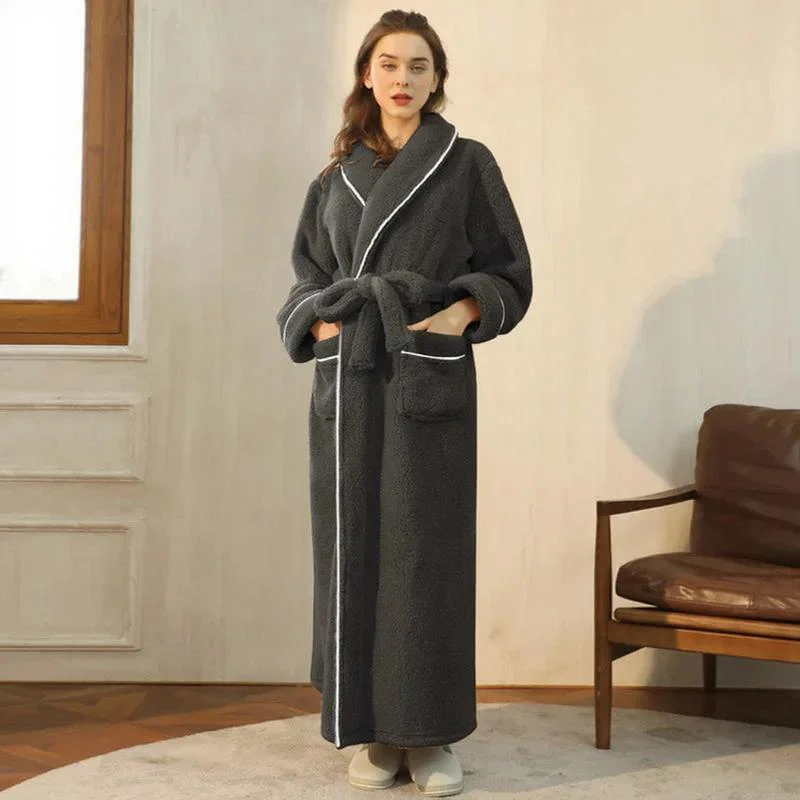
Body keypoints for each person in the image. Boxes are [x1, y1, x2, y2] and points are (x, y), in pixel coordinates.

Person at [276, 9, 533, 795]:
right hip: (349, 377)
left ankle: (431, 735)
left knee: (425, 552)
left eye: (419, 66)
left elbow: (510, 271)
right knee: (353, 546)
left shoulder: (466, 162)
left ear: (436, 79)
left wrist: (456, 316)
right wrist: (319, 323)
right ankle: (372, 729)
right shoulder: (335, 177)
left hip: (424, 375)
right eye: (389, 64)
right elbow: (307, 274)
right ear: (367, 74)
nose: (403, 78)